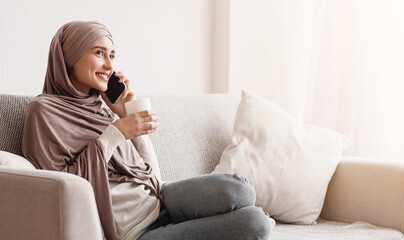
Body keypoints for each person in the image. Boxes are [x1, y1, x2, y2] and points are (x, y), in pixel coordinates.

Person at [21, 21, 273, 240]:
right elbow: (59, 189)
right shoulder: (43, 111)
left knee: (240, 187)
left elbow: (148, 173)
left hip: (157, 200)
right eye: (100, 53)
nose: (109, 65)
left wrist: (124, 114)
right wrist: (116, 132)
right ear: (70, 56)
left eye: (112, 56)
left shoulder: (101, 108)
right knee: (255, 222)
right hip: (134, 231)